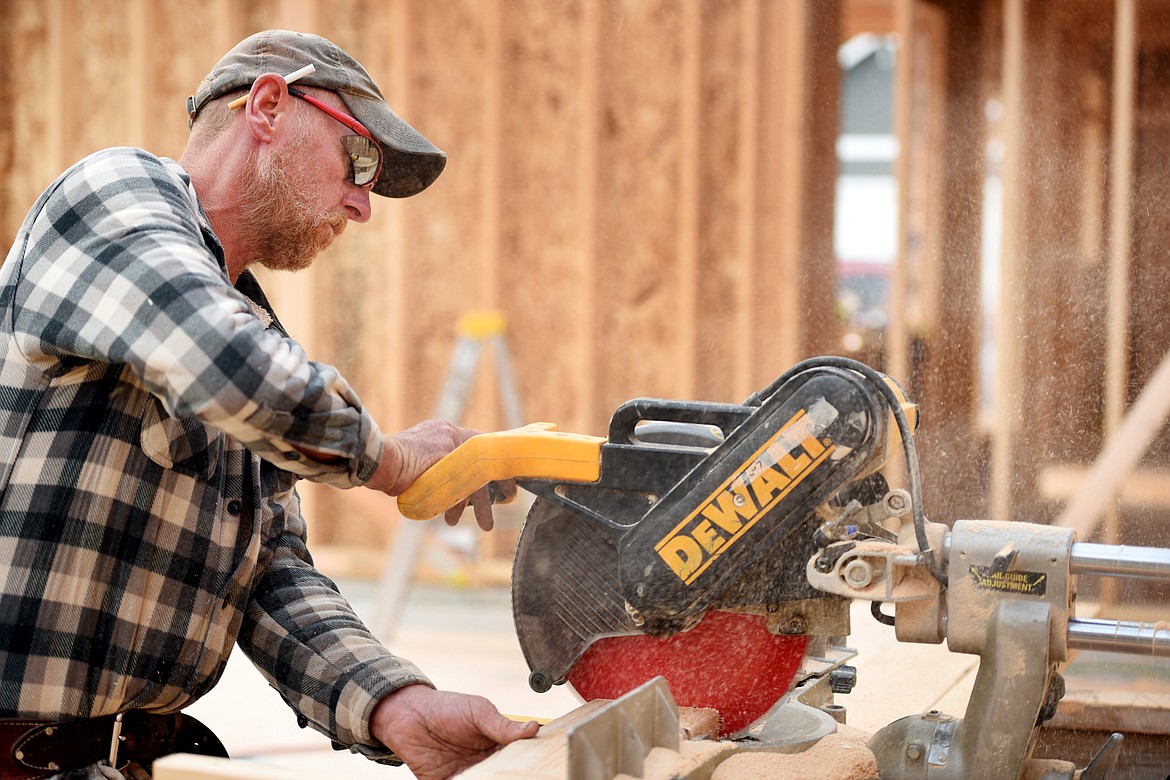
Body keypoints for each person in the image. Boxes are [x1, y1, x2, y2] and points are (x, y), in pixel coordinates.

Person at [0, 29, 538, 780]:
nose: (362, 205)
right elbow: (220, 361)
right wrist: (392, 460)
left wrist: (396, 705)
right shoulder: (111, 196)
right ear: (268, 104)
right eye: (358, 162)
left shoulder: (249, 335)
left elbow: (267, 574)